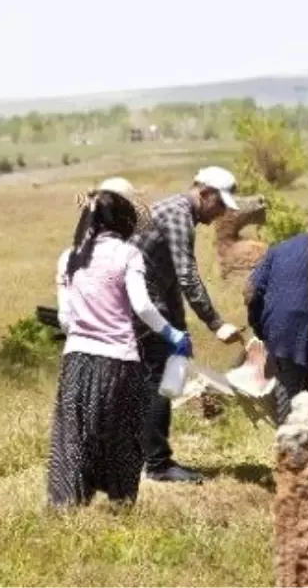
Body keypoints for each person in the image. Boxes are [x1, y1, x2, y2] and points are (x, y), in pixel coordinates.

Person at [48, 177, 193, 509]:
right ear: (125, 220)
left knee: (75, 434)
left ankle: (67, 506)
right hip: (119, 361)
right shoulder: (128, 254)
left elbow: (64, 319)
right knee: (122, 437)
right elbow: (142, 306)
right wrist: (172, 334)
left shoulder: (68, 257)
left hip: (75, 360)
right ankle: (120, 503)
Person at [129, 165, 245, 484]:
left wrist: (181, 330)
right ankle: (157, 465)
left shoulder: (174, 210)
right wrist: (215, 322)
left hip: (146, 293)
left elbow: (167, 279)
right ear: (204, 193)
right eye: (219, 204)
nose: (221, 213)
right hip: (137, 297)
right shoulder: (179, 214)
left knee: (156, 369)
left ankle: (139, 454)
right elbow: (187, 277)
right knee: (158, 373)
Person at [244, 231, 308, 425]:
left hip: (284, 329)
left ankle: (288, 444)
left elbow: (250, 291)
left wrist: (258, 326)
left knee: (288, 392)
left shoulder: (280, 248)